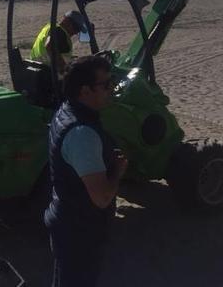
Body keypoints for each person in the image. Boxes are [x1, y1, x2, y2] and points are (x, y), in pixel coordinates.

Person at [44, 55, 127, 286]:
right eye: (106, 85)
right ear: (85, 91)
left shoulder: (65, 111)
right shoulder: (82, 134)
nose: (111, 89)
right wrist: (117, 172)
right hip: (80, 232)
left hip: (68, 223)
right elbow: (101, 198)